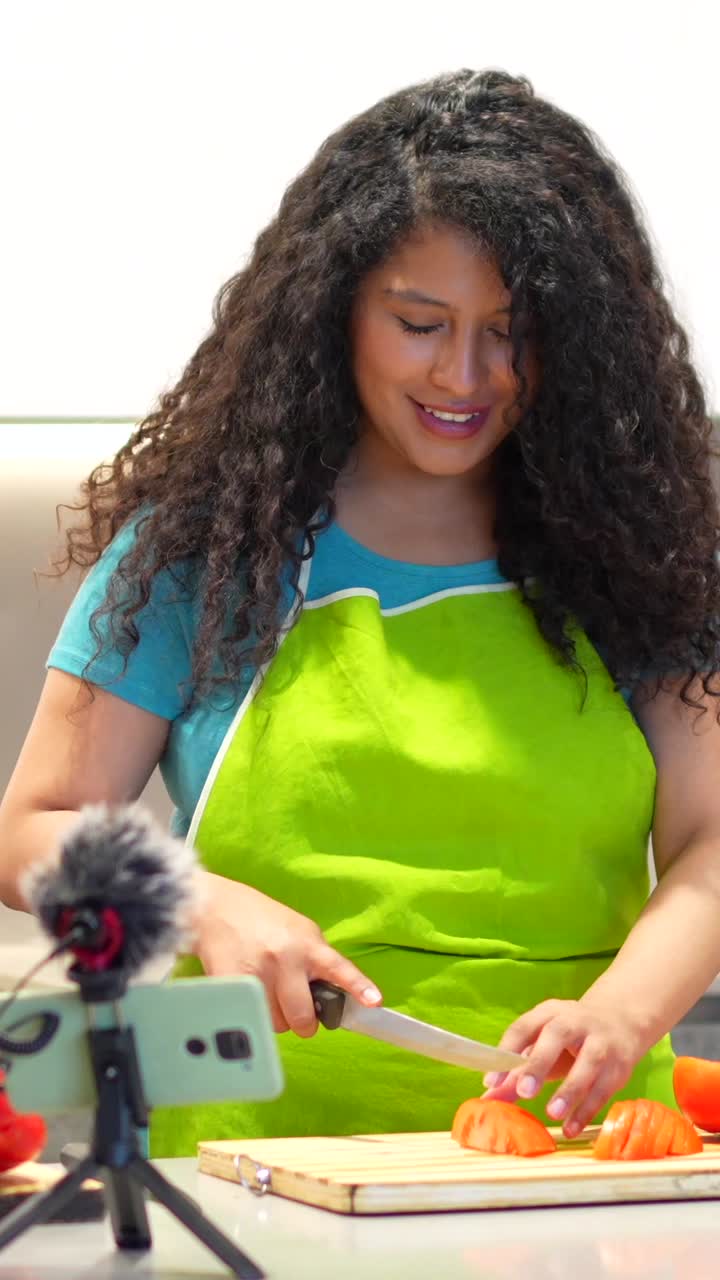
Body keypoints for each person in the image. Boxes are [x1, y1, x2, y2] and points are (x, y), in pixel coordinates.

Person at [1, 68, 719, 1159]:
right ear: (337, 305)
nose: (466, 373)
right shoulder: (209, 552)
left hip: (582, 1155)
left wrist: (623, 1011)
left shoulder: (631, 556)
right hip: (260, 1157)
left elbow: (712, 839)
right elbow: (29, 830)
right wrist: (198, 900)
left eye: (511, 331)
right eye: (420, 323)